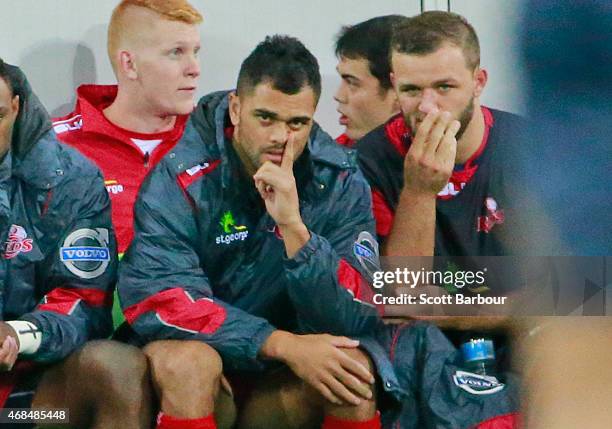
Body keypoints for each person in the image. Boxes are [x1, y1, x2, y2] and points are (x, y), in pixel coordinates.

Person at [117, 35, 407, 429]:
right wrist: (278, 344)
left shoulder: (338, 179)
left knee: (352, 372)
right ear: (236, 108)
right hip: (211, 366)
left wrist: (294, 229)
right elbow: (161, 298)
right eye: (265, 117)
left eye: (297, 123)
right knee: (189, 363)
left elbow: (356, 312)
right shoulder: (179, 177)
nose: (279, 137)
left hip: (281, 381)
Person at [0, 60, 150, 428]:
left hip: (25, 400)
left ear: (16, 108)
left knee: (116, 366)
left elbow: (85, 297)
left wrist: (18, 335)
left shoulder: (70, 181)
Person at [355, 12, 526, 325]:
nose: (427, 107)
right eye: (411, 90)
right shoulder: (368, 162)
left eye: (444, 87)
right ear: (394, 85)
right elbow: (403, 297)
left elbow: (572, 295)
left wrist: (455, 314)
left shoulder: (529, 149)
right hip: (421, 350)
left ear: (479, 82)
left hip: (523, 343)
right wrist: (419, 190)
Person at [53, 0, 203, 255]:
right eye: (176, 52)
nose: (194, 69)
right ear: (129, 64)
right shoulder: (55, 147)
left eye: (195, 52)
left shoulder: (217, 140)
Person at [334, 15, 405, 147]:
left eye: (352, 82)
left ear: (399, 91)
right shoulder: (329, 161)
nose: (339, 96)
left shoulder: (447, 162)